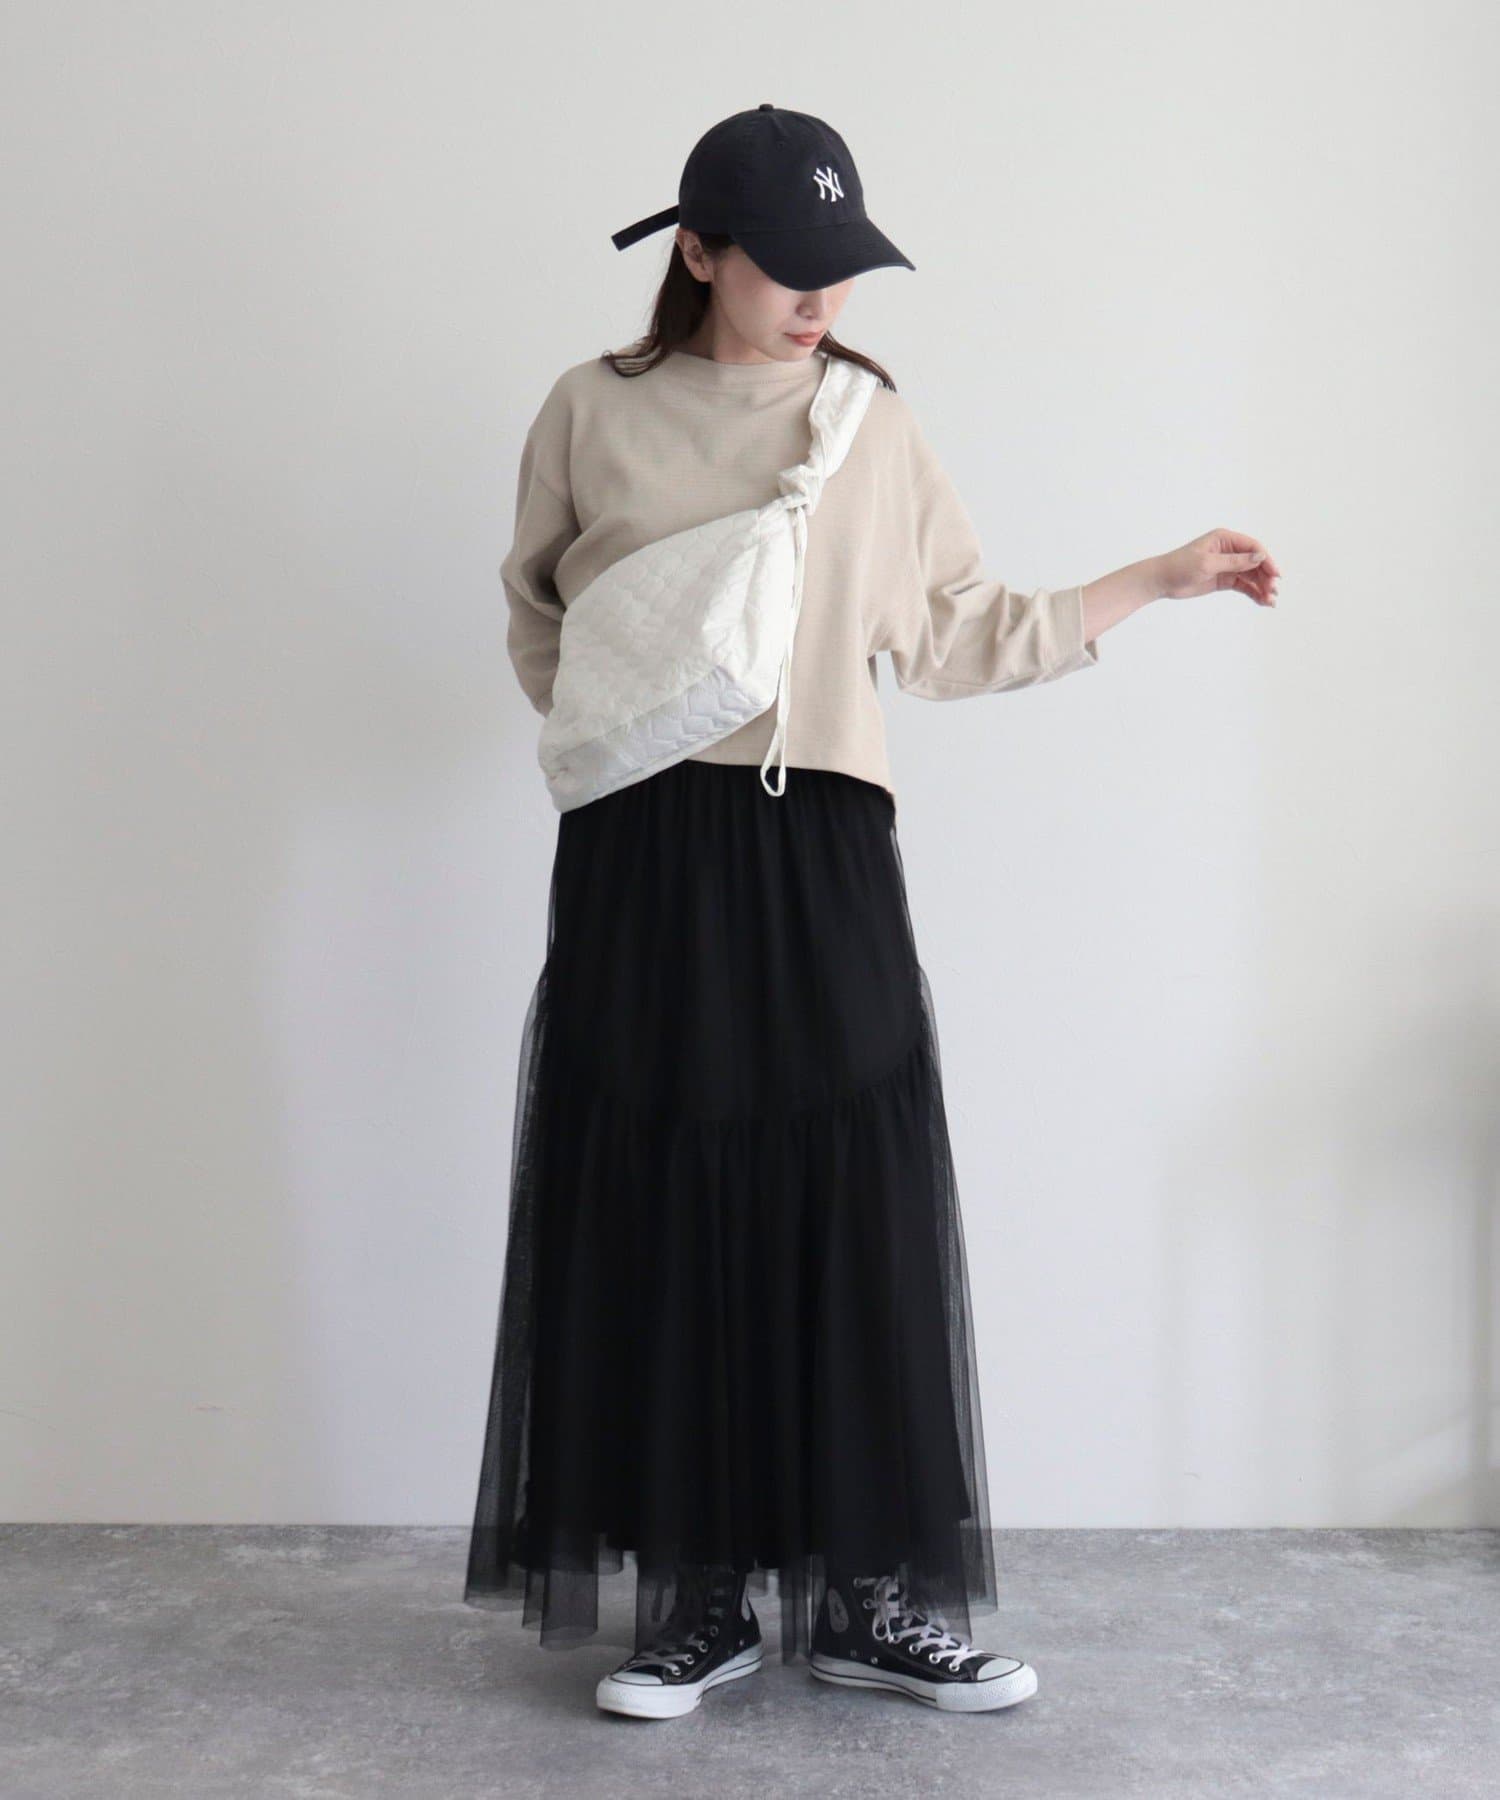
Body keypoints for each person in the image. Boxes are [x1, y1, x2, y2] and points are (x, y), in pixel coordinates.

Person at [464, 104, 1280, 1722]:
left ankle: (865, 1600)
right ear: (700, 250)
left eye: (842, 267)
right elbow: (540, 616)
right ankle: (696, 1599)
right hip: (642, 847)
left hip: (820, 838)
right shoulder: (590, 409)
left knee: (854, 1196)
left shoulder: (867, 426)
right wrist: (631, 745)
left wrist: (1153, 579)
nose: (822, 298)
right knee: (660, 1192)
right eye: (790, 266)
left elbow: (960, 630)